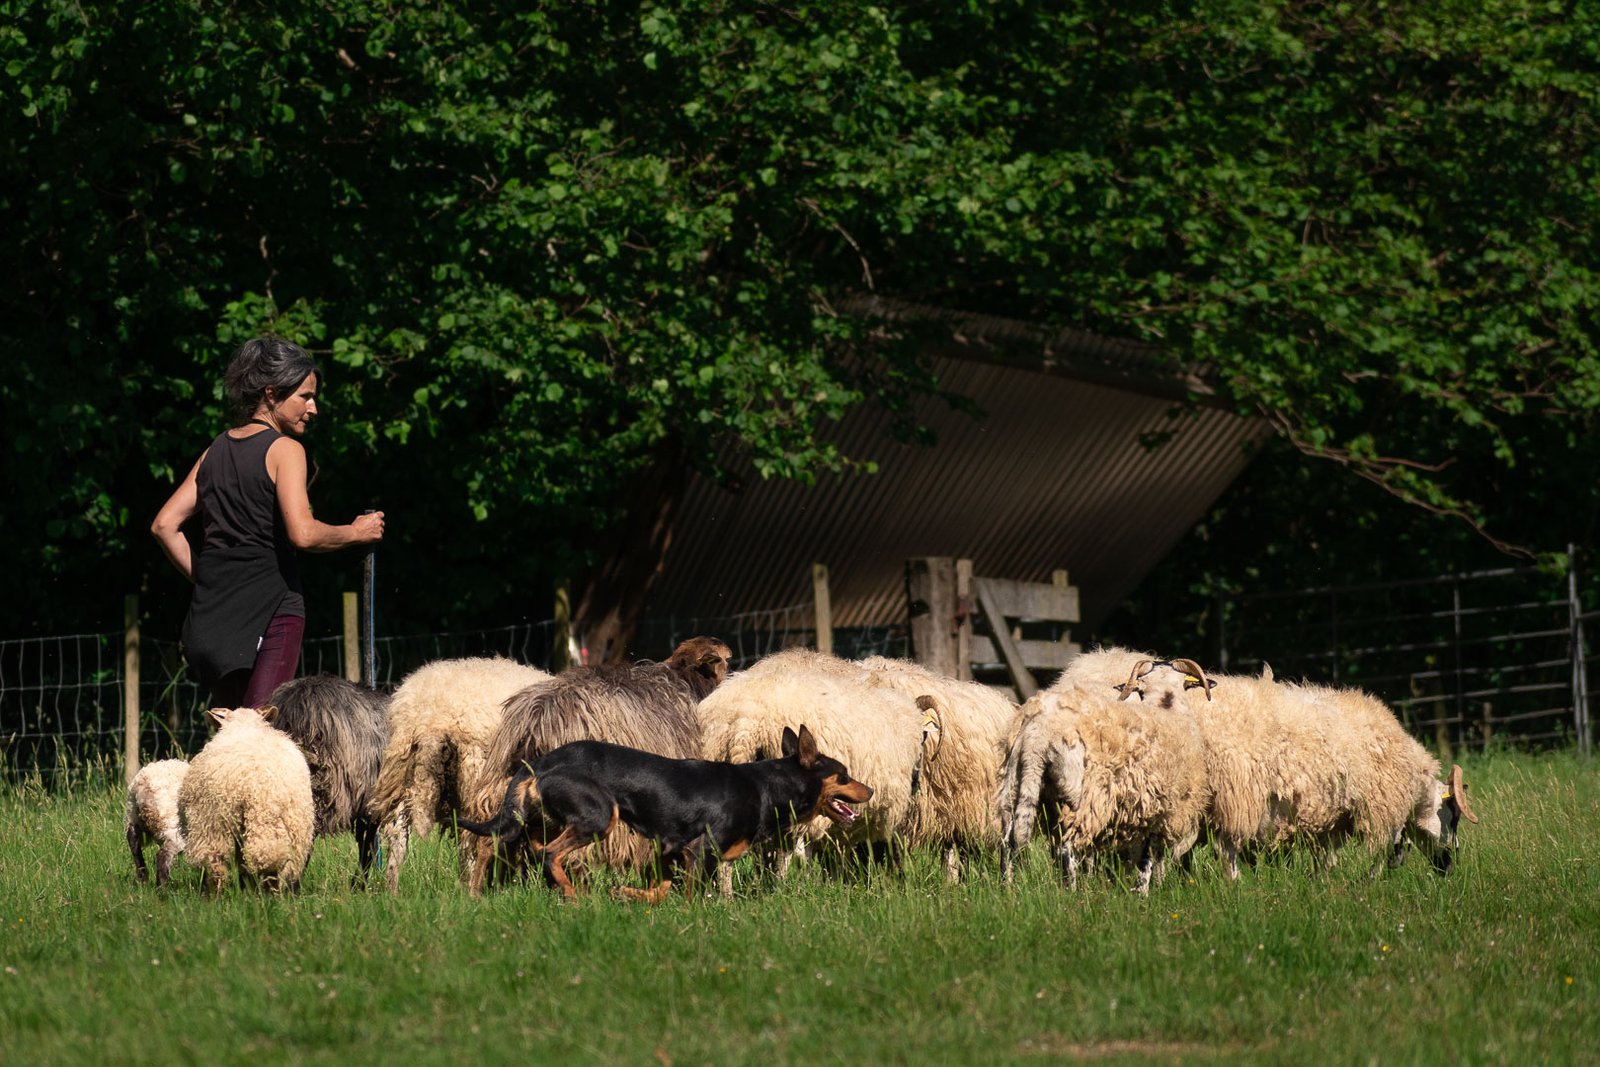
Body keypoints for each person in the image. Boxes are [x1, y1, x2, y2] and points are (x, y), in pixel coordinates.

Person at [151, 338, 385, 709]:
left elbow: (164, 525)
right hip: (272, 614)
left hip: (210, 624)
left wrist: (208, 578)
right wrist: (356, 532)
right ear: (272, 393)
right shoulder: (285, 450)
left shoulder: (215, 450)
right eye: (305, 396)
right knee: (261, 737)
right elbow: (304, 534)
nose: (314, 408)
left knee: (231, 738)